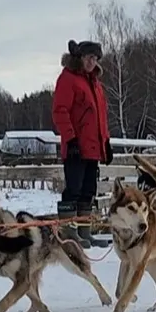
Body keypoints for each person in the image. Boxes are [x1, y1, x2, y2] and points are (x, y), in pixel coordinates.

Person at [52, 39, 113, 248]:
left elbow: (100, 117)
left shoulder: (95, 83)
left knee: (89, 190)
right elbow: (60, 111)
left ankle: (84, 232)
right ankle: (69, 234)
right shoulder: (68, 79)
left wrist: (106, 142)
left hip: (93, 147)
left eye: (95, 58)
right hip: (76, 147)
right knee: (73, 189)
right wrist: (70, 139)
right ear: (80, 57)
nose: (92, 62)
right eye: (88, 58)